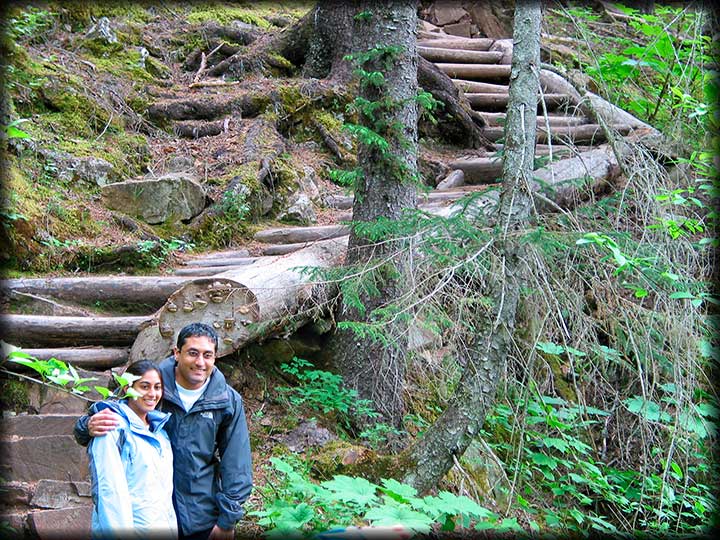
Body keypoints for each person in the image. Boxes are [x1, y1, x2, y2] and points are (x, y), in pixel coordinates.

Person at [76, 323, 253, 540]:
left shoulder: (227, 400)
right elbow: (111, 410)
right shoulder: (152, 384)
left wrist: (227, 519)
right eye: (193, 353)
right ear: (177, 353)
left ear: (216, 357)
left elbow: (237, 463)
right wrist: (86, 426)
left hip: (201, 515)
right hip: (150, 516)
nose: (200, 362)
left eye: (208, 355)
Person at [88, 359, 177, 539]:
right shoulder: (112, 427)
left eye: (157, 387)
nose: (152, 394)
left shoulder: (160, 433)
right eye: (144, 386)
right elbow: (109, 491)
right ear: (128, 387)